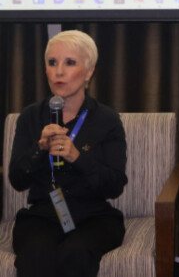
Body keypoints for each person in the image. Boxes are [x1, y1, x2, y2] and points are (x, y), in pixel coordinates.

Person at [9, 30, 127, 277]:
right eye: (52, 62)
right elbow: (17, 180)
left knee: (75, 254)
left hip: (93, 217)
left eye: (70, 62)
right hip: (42, 216)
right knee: (36, 255)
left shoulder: (107, 120)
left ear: (89, 71)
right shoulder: (30, 117)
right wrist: (39, 149)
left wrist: (77, 157)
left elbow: (115, 185)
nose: (59, 71)